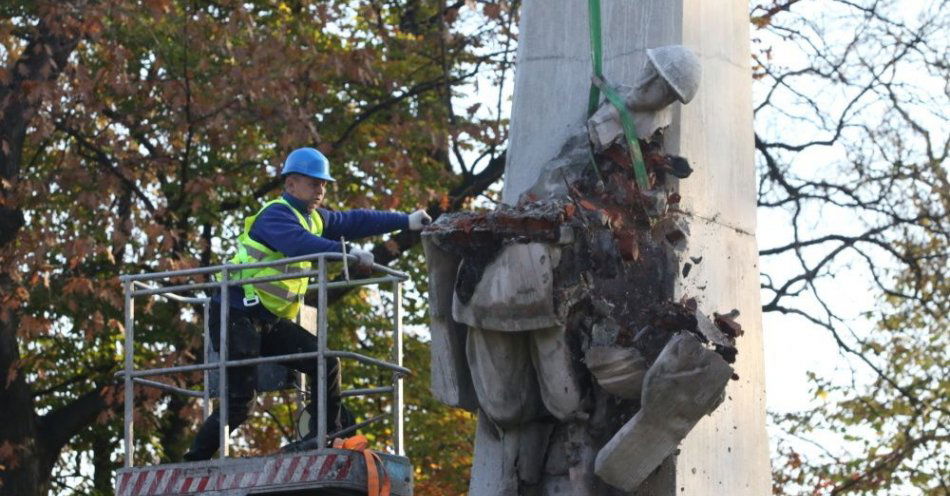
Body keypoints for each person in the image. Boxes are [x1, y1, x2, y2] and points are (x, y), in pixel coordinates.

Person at [183, 147, 431, 461]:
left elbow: (355, 220)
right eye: (314, 183)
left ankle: (323, 436)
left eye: (323, 184)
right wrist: (347, 253)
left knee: (324, 361)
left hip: (265, 317)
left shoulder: (314, 219)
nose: (321, 190)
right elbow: (297, 244)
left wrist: (406, 220)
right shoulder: (276, 215)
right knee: (239, 402)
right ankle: (195, 460)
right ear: (291, 185)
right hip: (235, 313)